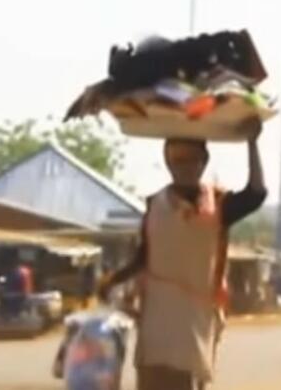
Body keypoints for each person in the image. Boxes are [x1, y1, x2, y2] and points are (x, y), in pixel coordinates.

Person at [98, 119, 266, 390]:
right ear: (167, 163)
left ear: (203, 162)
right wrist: (113, 280)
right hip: (157, 316)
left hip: (194, 317)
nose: (183, 166)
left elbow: (256, 193)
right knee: (153, 379)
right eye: (176, 159)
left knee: (187, 379)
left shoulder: (219, 206)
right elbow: (144, 256)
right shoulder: (155, 205)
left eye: (191, 159)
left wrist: (252, 142)